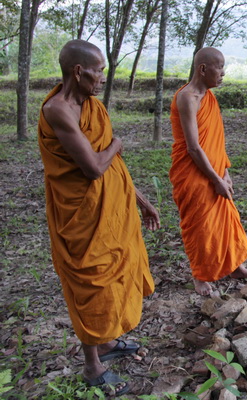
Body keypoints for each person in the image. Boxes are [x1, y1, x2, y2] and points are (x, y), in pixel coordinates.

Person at [37, 40, 160, 396]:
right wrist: (118, 144)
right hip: (81, 215)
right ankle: (92, 365)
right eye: (99, 70)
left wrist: (140, 199)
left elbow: (111, 166)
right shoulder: (58, 110)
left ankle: (107, 343)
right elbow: (93, 167)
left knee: (113, 275)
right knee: (90, 282)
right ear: (79, 71)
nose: (103, 77)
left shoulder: (92, 106)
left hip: (111, 208)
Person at [169, 47, 247, 296]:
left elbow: (216, 140)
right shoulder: (188, 97)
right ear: (203, 69)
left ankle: (235, 266)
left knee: (225, 222)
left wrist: (225, 170)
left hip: (214, 169)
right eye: (219, 67)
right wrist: (215, 178)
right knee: (201, 226)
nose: (223, 73)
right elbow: (194, 148)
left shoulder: (209, 96)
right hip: (193, 173)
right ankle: (200, 275)